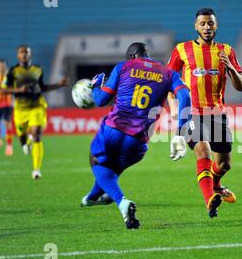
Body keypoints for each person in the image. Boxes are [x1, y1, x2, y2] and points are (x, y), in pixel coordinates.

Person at [81, 42, 191, 229]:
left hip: (114, 130)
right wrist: (181, 133)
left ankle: (122, 202)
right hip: (139, 143)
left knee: (96, 160)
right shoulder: (168, 73)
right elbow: (185, 96)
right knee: (111, 169)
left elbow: (100, 100)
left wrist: (96, 85)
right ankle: (90, 198)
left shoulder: (123, 67)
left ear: (132, 57)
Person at [167, 8, 242, 218]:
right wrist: (174, 106)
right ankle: (209, 198)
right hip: (191, 112)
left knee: (223, 164)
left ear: (216, 25)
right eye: (202, 23)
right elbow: (168, 81)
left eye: (210, 23)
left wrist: (231, 69)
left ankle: (217, 186)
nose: (207, 27)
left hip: (217, 113)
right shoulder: (182, 49)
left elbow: (240, 86)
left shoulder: (226, 51)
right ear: (195, 26)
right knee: (203, 151)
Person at [1, 45, 69, 179]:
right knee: (22, 137)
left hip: (37, 106)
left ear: (30, 54)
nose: (24, 54)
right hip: (20, 110)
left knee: (37, 133)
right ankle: (25, 142)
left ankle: (36, 169)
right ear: (18, 55)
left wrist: (59, 85)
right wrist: (19, 91)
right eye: (21, 52)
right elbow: (3, 90)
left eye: (26, 52)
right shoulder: (13, 72)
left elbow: (42, 87)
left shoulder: (37, 70)